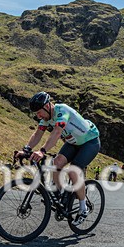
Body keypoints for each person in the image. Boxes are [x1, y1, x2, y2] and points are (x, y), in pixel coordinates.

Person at [14, 91, 101, 226]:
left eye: (39, 112)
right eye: (36, 113)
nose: (38, 116)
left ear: (47, 106)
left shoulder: (62, 111)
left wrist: (42, 151)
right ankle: (61, 197)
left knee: (73, 170)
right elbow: (38, 134)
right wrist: (26, 149)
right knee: (56, 163)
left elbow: (57, 132)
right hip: (73, 143)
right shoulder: (46, 118)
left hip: (90, 142)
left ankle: (83, 208)